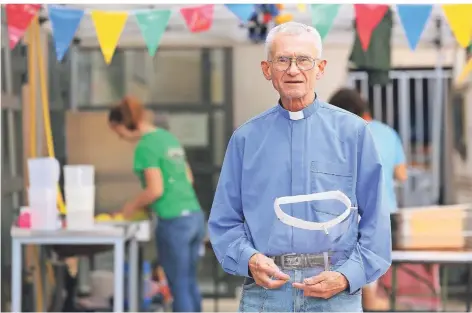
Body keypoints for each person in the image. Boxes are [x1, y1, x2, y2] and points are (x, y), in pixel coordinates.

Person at [208, 22, 391, 312]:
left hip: (334, 294)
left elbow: (377, 224)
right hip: (266, 295)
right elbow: (224, 222)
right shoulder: (245, 139)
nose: (293, 70)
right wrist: (249, 259)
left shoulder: (354, 133)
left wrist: (347, 276)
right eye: (283, 60)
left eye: (304, 60)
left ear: (320, 68)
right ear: (267, 69)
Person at [108, 96, 206, 312]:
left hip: (174, 222)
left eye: (118, 131)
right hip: (194, 217)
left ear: (124, 124)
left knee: (178, 286)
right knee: (189, 282)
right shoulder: (168, 138)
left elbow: (155, 189)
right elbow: (187, 178)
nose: (120, 137)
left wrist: (131, 206)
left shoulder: (145, 147)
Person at [329, 88, 408, 310]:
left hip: (348, 215)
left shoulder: (340, 133)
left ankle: (369, 299)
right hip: (387, 214)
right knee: (373, 262)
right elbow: (402, 174)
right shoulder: (388, 133)